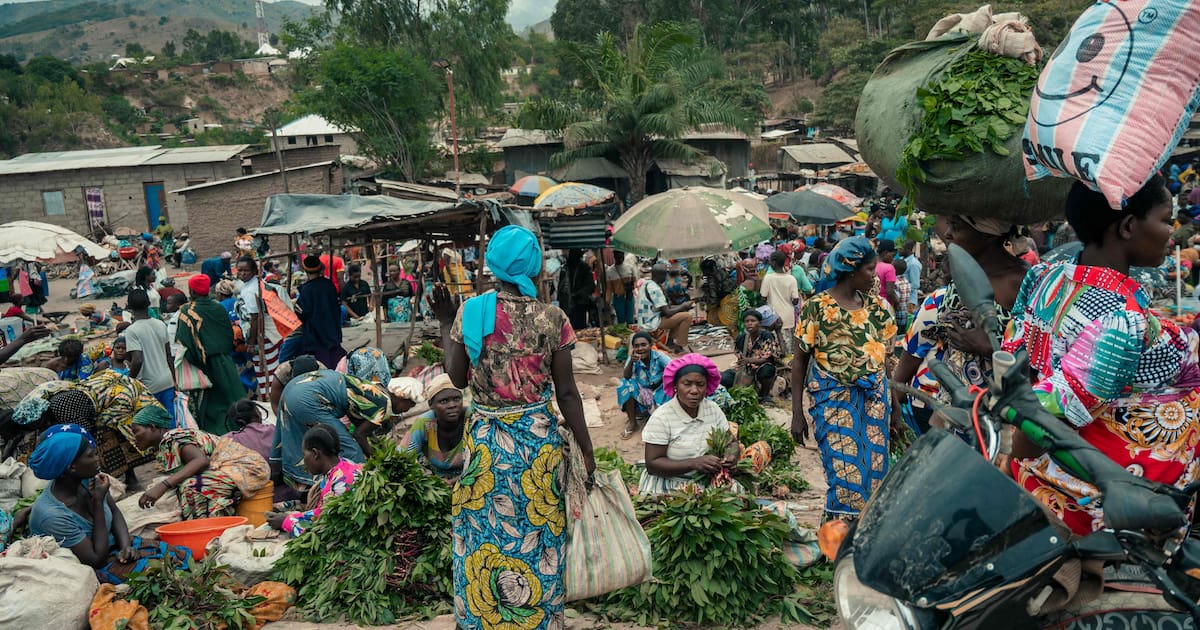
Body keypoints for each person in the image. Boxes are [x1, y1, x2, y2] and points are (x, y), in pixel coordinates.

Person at [1003, 175, 1200, 535]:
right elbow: (1049, 414)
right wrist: (1010, 469)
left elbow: (1018, 357)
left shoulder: (1047, 275)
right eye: (1164, 219)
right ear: (1128, 226)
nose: (1171, 232)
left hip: (1045, 475)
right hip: (1100, 502)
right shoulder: (1120, 320)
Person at [429, 224, 594, 630]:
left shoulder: (473, 311)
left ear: (494, 266)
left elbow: (458, 377)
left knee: (484, 536)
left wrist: (448, 320)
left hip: (487, 444)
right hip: (538, 444)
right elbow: (568, 395)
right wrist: (587, 453)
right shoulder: (553, 318)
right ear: (534, 267)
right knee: (538, 537)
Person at [792, 237, 896, 520]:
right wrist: (796, 413)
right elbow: (799, 361)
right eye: (870, 270)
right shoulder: (817, 308)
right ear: (851, 271)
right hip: (833, 402)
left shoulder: (879, 309)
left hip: (875, 401)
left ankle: (864, 540)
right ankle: (838, 541)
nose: (875, 276)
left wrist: (895, 407)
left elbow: (886, 361)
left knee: (875, 475)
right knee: (845, 475)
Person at [893, 215, 1028, 433]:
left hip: (998, 421)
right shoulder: (962, 278)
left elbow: (1041, 361)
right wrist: (895, 401)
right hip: (949, 412)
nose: (947, 234)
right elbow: (921, 343)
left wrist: (989, 348)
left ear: (986, 234)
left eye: (956, 227)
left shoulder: (1025, 283)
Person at [13, 370, 162, 489]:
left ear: (40, 417)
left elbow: (84, 436)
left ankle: (128, 479)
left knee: (111, 442)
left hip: (115, 398)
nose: (33, 429)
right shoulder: (51, 409)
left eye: (32, 425)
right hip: (96, 403)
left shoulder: (61, 408)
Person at [132, 406, 270, 520]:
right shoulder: (166, 446)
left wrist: (163, 486)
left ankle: (212, 527)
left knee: (191, 487)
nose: (133, 438)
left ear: (152, 427)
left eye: (136, 431)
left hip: (248, 467)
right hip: (233, 469)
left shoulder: (174, 438)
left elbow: (200, 461)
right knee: (184, 486)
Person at [27, 424, 135, 570]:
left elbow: (115, 513)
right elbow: (96, 560)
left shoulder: (87, 480)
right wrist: (97, 502)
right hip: (87, 568)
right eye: (91, 455)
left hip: (114, 549)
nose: (97, 458)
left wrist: (125, 546)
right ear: (71, 467)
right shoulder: (52, 516)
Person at [639, 354, 740, 495]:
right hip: (671, 484)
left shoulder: (713, 409)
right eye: (687, 384)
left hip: (707, 479)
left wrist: (731, 455)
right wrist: (693, 463)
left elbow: (730, 441)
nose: (694, 391)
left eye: (700, 385)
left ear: (707, 387)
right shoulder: (662, 417)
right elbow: (653, 464)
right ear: (675, 386)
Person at [272, 369, 392, 489]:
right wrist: (376, 459)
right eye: (410, 404)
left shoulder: (365, 389)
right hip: (306, 398)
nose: (409, 407)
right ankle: (359, 486)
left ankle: (289, 480)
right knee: (351, 450)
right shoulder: (384, 405)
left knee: (300, 439)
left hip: (293, 387)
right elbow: (359, 434)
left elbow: (358, 428)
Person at [176, 274, 246, 435]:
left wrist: (197, 362)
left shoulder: (187, 311)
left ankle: (218, 435)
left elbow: (185, 341)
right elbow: (229, 334)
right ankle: (242, 430)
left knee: (212, 404)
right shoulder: (218, 307)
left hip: (205, 364)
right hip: (225, 361)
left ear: (192, 290)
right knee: (231, 395)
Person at [266, 424, 362, 537]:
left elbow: (327, 533)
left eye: (304, 454)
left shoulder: (343, 482)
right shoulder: (341, 466)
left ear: (315, 453)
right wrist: (288, 514)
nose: (303, 460)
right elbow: (321, 512)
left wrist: (285, 522)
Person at [236, 256, 287, 400]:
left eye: (246, 270)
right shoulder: (253, 285)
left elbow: (255, 318)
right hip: (265, 334)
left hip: (261, 336)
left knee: (267, 371)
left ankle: (272, 399)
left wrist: (251, 343)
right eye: (240, 270)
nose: (243, 273)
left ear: (253, 271)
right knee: (270, 369)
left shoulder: (251, 290)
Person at [400, 374, 467, 479]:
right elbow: (403, 457)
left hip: (471, 479)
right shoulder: (425, 423)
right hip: (436, 480)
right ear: (431, 404)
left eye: (456, 399)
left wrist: (455, 481)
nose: (452, 405)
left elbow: (486, 460)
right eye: (444, 401)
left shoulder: (472, 419)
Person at [123, 289, 175, 419]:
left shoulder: (132, 331)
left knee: (153, 423)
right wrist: (175, 379)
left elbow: (137, 360)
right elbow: (169, 356)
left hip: (149, 386)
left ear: (129, 307)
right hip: (167, 381)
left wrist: (129, 382)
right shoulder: (160, 324)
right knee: (169, 419)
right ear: (148, 304)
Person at [617, 331, 672, 440]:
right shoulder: (633, 359)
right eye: (636, 346)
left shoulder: (659, 356)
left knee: (660, 423)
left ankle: (655, 413)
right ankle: (633, 423)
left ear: (651, 346)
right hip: (644, 392)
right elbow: (626, 376)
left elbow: (674, 368)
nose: (640, 348)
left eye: (643, 345)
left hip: (661, 392)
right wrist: (631, 362)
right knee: (626, 384)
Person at [296, 255, 345, 369]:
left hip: (316, 335)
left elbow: (301, 313)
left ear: (305, 270)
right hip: (332, 331)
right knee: (337, 364)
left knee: (323, 367)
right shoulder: (329, 285)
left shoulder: (306, 289)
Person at [722, 309, 781, 401]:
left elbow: (768, 358)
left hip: (761, 366)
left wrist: (749, 360)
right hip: (745, 368)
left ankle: (764, 395)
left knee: (768, 371)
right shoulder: (741, 338)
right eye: (747, 321)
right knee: (724, 377)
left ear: (759, 323)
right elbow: (738, 354)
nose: (750, 323)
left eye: (753, 321)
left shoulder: (766, 336)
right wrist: (743, 361)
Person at [636, 263, 693, 354]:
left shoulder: (646, 284)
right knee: (687, 316)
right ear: (661, 275)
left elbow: (664, 308)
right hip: (651, 323)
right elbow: (667, 312)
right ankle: (680, 345)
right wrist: (683, 306)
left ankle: (670, 341)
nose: (666, 277)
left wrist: (681, 307)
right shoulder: (655, 289)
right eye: (665, 275)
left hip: (646, 320)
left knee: (680, 314)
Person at [759, 251, 800, 353]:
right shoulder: (791, 279)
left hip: (772, 319)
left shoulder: (768, 278)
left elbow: (763, 299)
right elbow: (795, 301)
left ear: (774, 263)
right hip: (788, 318)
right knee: (788, 348)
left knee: (775, 347)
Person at [700, 256, 739, 334]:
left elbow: (713, 300)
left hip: (726, 306)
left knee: (725, 328)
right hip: (734, 300)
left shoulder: (711, 279)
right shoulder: (723, 271)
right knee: (734, 325)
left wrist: (702, 299)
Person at [605, 251, 637, 325]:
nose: (620, 258)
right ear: (614, 257)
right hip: (618, 298)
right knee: (621, 320)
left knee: (630, 320)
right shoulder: (609, 271)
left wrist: (632, 287)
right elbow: (609, 289)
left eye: (621, 256)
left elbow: (635, 281)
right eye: (618, 256)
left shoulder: (630, 267)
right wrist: (607, 301)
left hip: (629, 296)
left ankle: (630, 335)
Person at [874, 239, 900, 311]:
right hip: (885, 306)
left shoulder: (871, 264)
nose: (893, 259)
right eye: (892, 255)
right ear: (886, 252)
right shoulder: (889, 268)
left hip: (871, 303)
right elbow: (890, 291)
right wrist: (897, 303)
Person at [900, 240, 922, 308]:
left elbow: (915, 284)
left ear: (908, 249)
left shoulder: (913, 264)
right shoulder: (901, 260)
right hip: (901, 299)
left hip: (909, 301)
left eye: (901, 248)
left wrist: (900, 287)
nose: (899, 250)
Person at [892, 259, 912, 331]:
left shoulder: (895, 282)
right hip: (905, 314)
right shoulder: (906, 281)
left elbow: (896, 298)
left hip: (896, 314)